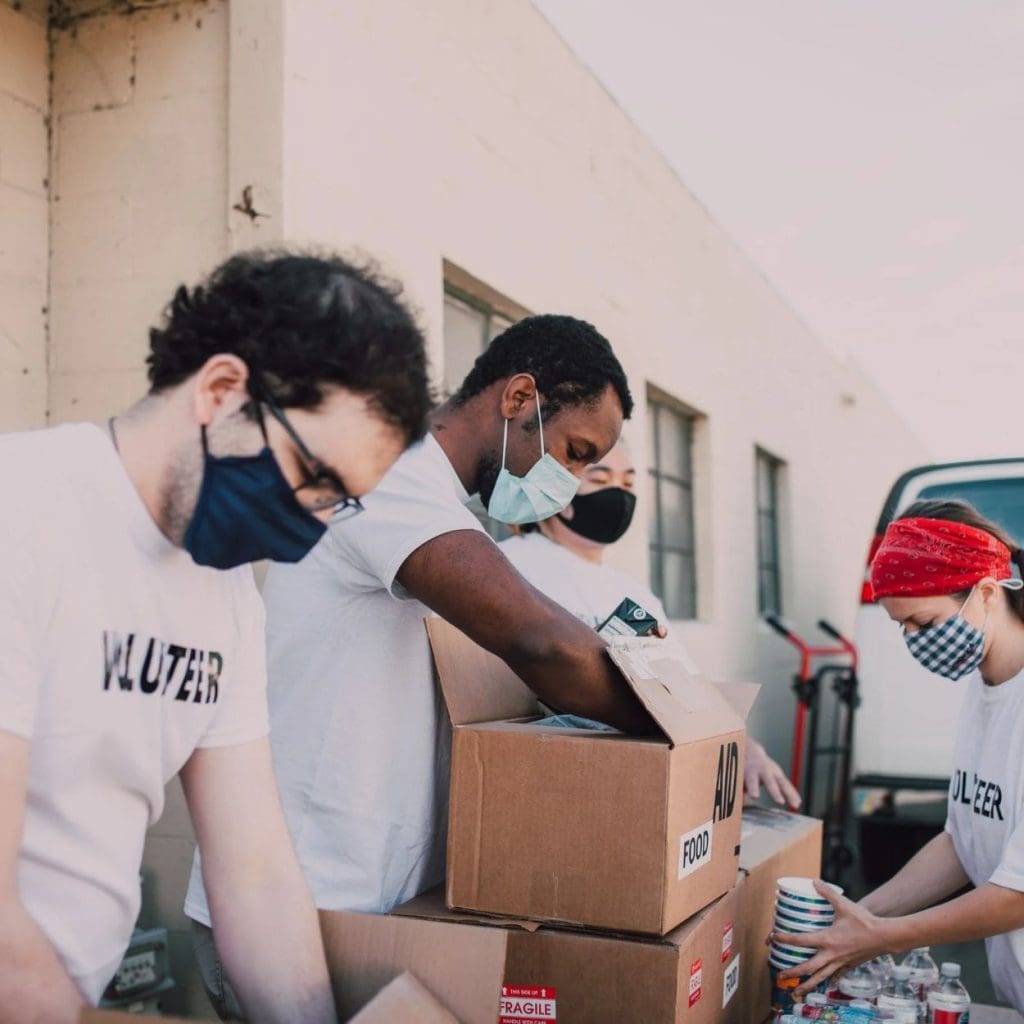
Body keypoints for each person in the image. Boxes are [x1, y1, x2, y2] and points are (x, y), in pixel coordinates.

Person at [0, 250, 432, 1023]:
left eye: (340, 503)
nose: (314, 522)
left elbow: (255, 877)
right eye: (316, 476)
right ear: (222, 390)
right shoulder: (22, 512)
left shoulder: (226, 596)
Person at [185, 314, 657, 1009]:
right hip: (292, 903)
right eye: (574, 452)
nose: (573, 482)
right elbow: (542, 643)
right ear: (519, 399)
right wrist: (675, 724)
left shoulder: (440, 506)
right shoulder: (388, 477)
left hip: (360, 900)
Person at [775, 500, 1024, 1011]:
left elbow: (1015, 896)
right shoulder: (986, 688)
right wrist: (860, 915)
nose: (914, 641)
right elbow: (963, 839)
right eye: (901, 627)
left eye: (924, 622)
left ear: (986, 593)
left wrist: (882, 936)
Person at [498, 437, 801, 808]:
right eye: (600, 479)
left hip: (629, 781)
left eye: (628, 483)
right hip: (541, 777)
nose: (619, 495)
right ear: (556, 485)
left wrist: (744, 744)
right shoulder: (510, 566)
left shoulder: (634, 592)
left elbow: (685, 685)